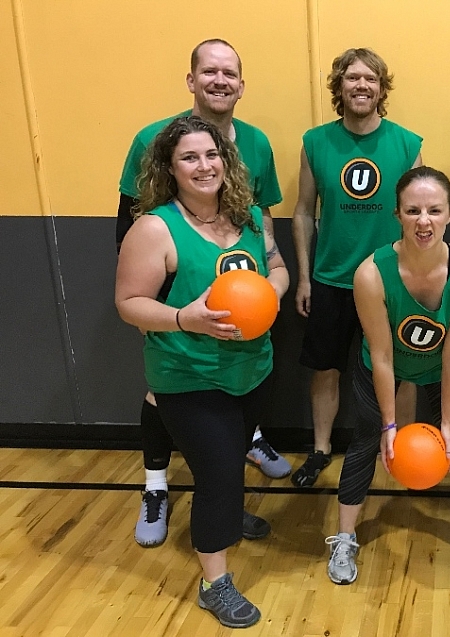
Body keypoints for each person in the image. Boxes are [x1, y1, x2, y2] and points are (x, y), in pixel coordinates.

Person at [115, 116, 289, 628]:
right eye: (189, 157)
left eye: (211, 155)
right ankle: (215, 583)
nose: (204, 165)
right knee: (217, 473)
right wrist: (181, 318)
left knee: (232, 458)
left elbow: (276, 267)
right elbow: (127, 302)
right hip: (188, 376)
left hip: (252, 369)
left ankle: (228, 512)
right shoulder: (154, 227)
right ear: (170, 168)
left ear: (227, 160)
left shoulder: (252, 216)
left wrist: (270, 293)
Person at [323, 166, 450, 586]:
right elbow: (381, 355)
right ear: (397, 214)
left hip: (441, 368)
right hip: (383, 365)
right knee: (366, 442)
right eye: (413, 210)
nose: (424, 221)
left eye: (435, 210)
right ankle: (345, 538)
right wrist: (388, 422)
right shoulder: (370, 273)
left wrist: (448, 423)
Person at [291, 47, 422, 487]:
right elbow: (304, 211)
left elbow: (420, 212)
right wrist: (305, 277)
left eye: (370, 79)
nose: (361, 85)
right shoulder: (315, 142)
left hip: (390, 282)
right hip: (330, 279)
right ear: (339, 87)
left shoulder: (408, 143)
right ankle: (320, 449)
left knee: (403, 370)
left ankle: (400, 446)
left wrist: (418, 275)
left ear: (382, 89)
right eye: (352, 78)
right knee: (325, 368)